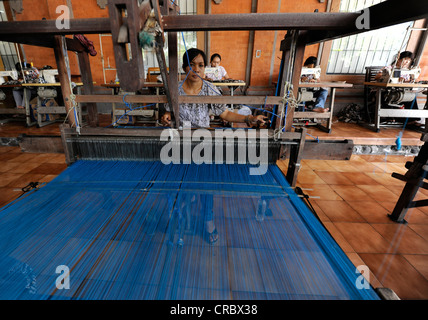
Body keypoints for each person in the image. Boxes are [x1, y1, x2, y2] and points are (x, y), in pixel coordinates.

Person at [161, 48, 266, 128]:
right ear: (184, 67)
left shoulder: (210, 89)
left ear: (205, 68)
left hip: (202, 136)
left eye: (201, 65)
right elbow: (168, 111)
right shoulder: (175, 89)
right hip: (180, 136)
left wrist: (250, 118)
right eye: (191, 64)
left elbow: (224, 113)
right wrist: (167, 115)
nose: (196, 69)